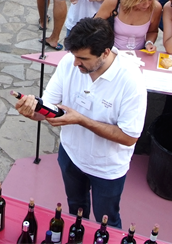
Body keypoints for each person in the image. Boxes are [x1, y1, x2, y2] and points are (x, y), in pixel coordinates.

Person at [15, 16, 147, 229]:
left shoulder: (131, 81)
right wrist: (32, 110)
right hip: (70, 156)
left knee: (108, 221)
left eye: (83, 59)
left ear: (105, 52)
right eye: (74, 56)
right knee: (75, 209)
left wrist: (82, 121)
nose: (76, 63)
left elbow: (129, 137)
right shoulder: (70, 62)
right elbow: (48, 107)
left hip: (107, 169)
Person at [95, 0, 162, 52]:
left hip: (139, 53)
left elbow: (153, 31)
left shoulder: (156, 8)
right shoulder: (114, 1)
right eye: (141, 1)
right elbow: (95, 24)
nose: (147, 5)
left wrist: (149, 43)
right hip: (112, 51)